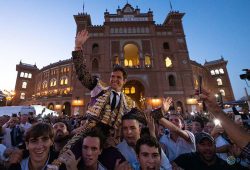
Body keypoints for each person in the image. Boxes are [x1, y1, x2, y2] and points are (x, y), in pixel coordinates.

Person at [50, 29, 136, 168]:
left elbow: (144, 117)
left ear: (124, 81)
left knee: (122, 165)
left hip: (107, 142)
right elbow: (83, 74)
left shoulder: (129, 102)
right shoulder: (99, 88)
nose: (114, 79)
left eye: (118, 77)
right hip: (87, 134)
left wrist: (163, 110)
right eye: (112, 76)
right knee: (63, 161)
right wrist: (78, 48)